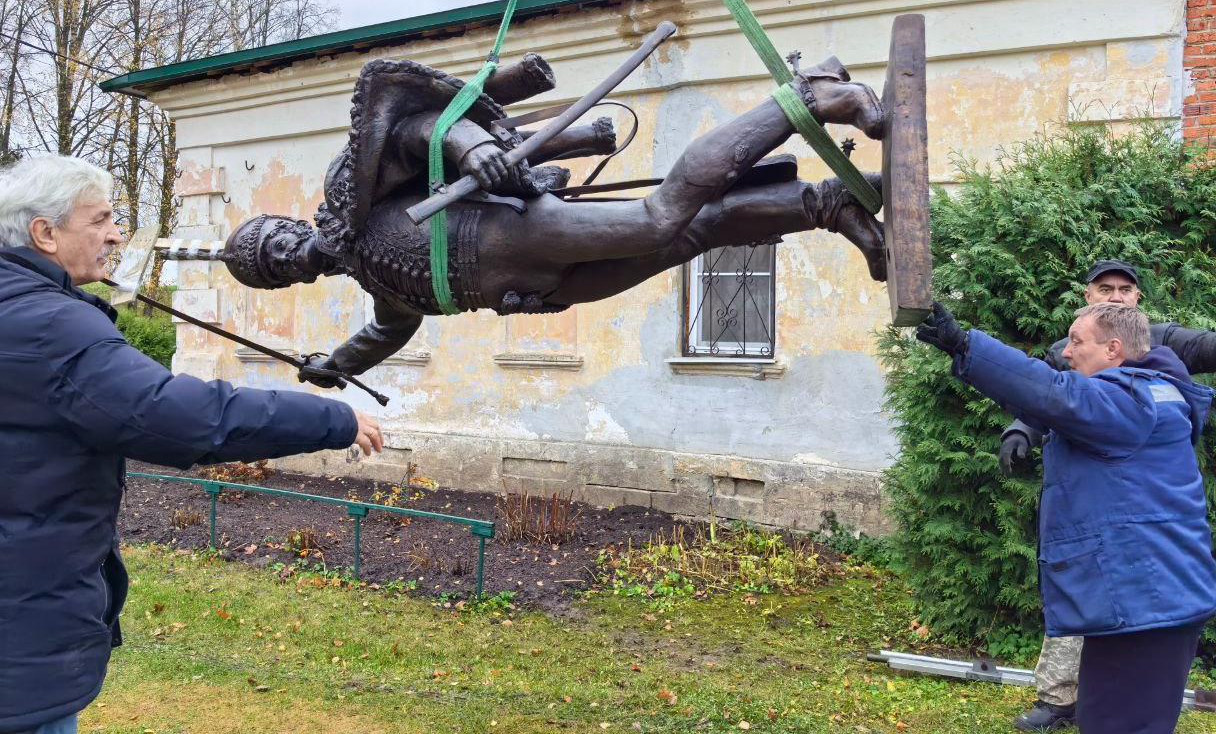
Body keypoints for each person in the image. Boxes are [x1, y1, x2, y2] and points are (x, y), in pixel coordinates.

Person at [212, 51, 888, 383]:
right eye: (276, 272)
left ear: (287, 224)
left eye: (275, 246)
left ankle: (814, 94)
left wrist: (476, 151)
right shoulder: (377, 283)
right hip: (530, 289)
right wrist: (335, 365)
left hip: (512, 229)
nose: (284, 261)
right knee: (689, 236)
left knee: (659, 218)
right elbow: (387, 335)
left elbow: (420, 129)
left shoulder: (346, 195)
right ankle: (828, 207)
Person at [0, 155, 385, 734]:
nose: (116, 234)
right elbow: (179, 418)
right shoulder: (49, 325)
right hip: (20, 633)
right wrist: (330, 419)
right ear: (45, 233)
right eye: (101, 220)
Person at [918, 300, 1216, 734]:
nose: (1067, 352)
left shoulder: (1132, 400)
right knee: (1103, 719)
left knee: (1122, 725)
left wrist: (966, 344)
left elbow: (1056, 395)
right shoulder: (1144, 391)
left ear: (1114, 349)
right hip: (1141, 602)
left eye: (1076, 342)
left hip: (1147, 606)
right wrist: (1020, 426)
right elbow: (1053, 406)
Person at [997, 260, 1216, 732]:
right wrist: (1020, 431)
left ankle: (1099, 707)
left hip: (1135, 511)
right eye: (1105, 288)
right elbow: (1050, 396)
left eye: (1125, 289)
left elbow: (1203, 347)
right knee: (1083, 607)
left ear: (1136, 301)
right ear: (1088, 294)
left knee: (1124, 617)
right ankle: (1058, 699)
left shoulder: (1161, 342)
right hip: (1090, 511)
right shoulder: (1071, 348)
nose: (1115, 295)